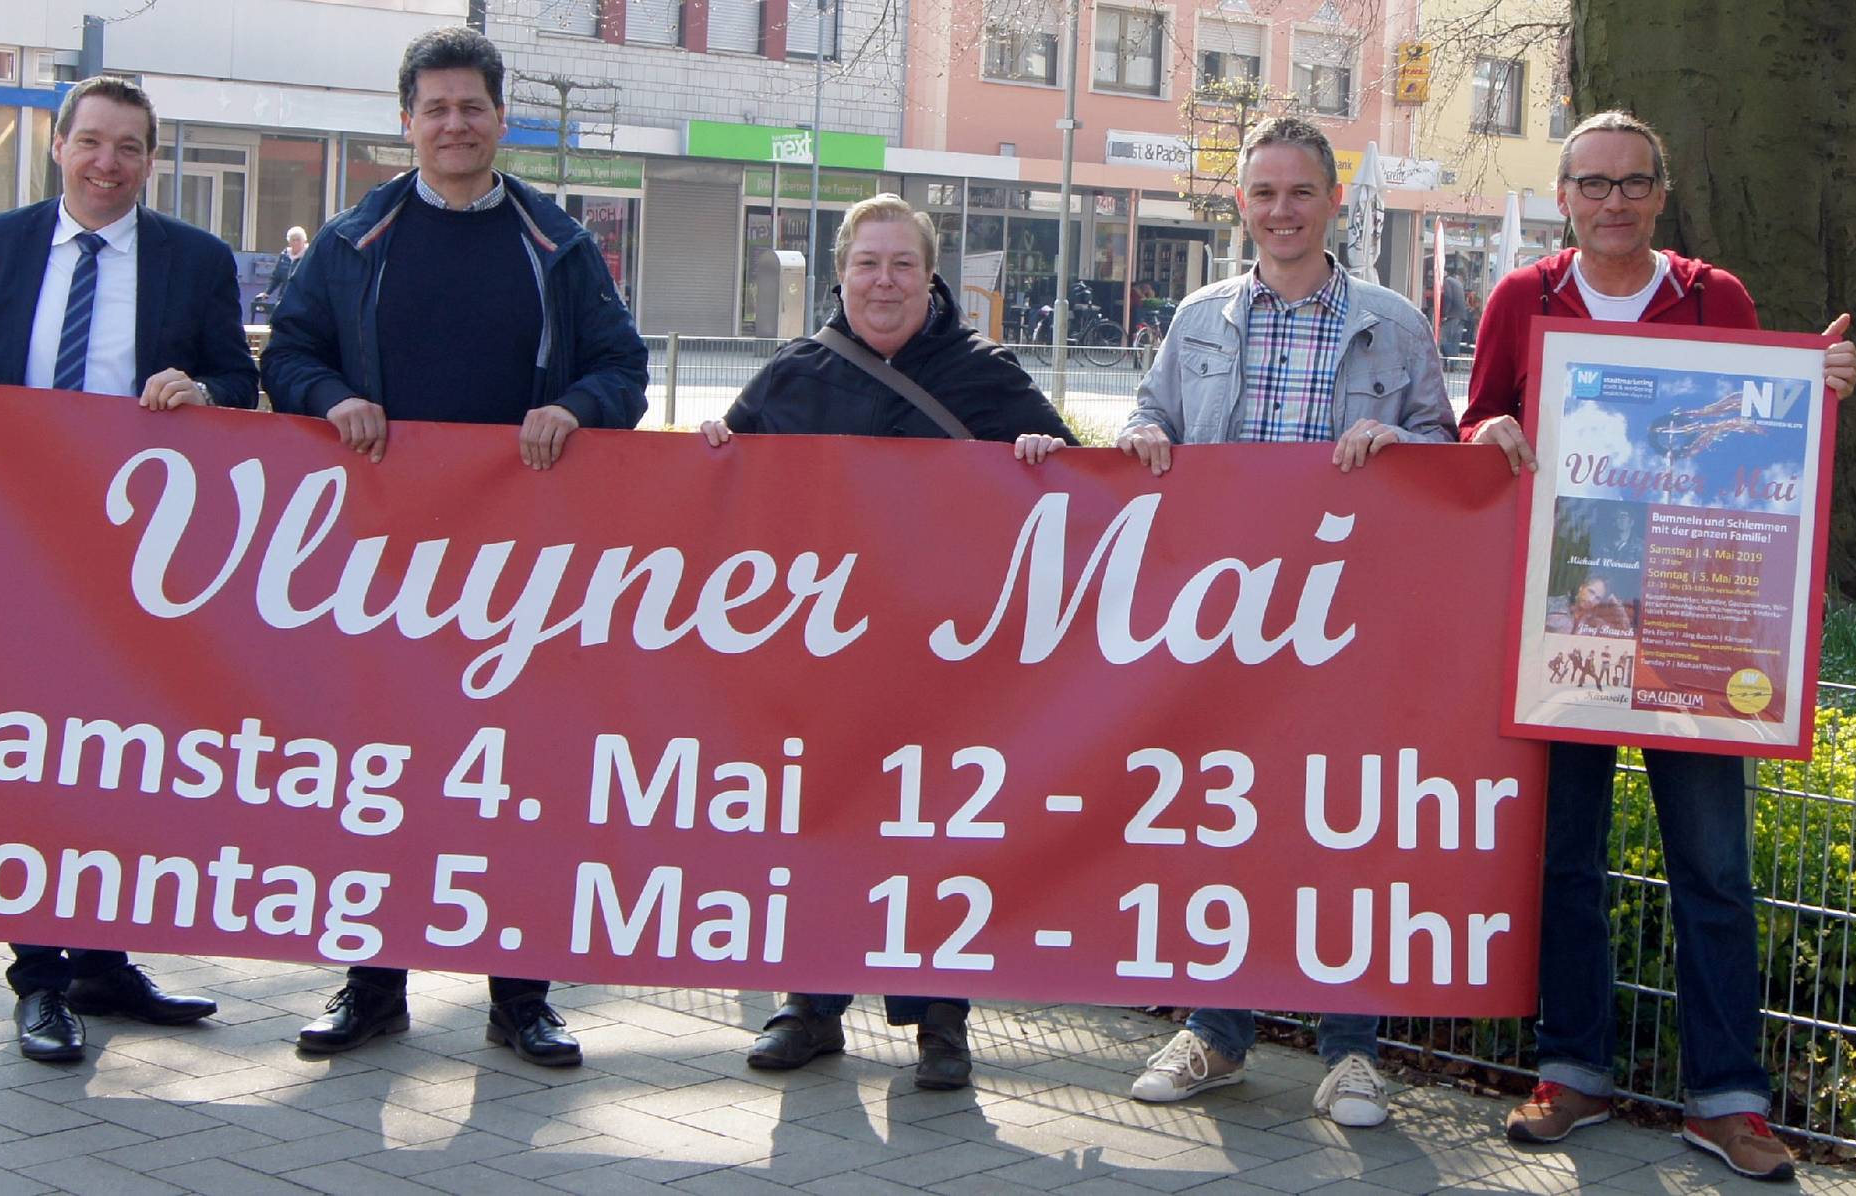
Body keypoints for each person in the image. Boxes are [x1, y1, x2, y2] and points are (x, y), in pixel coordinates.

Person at [1462, 109, 1856, 1183]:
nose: (1613, 201)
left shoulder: (1715, 297)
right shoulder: (1520, 299)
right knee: (1565, 857)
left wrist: (1818, 395)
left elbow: (1762, 429)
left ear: (1661, 193)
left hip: (1694, 612)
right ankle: (1573, 1068)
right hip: (1569, 614)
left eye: (1633, 182)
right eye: (1593, 183)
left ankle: (1727, 1099)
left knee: (1715, 868)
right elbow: (1478, 421)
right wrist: (1483, 431)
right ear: (1564, 195)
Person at [260, 25, 648, 1064]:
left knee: (513, 778)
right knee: (377, 775)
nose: (453, 124)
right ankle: (372, 983)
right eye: (433, 108)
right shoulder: (353, 240)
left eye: (470, 106)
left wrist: (577, 404)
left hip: (518, 573)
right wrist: (331, 393)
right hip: (379, 567)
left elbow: (623, 366)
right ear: (406, 123)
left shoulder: (555, 241)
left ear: (499, 117)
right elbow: (288, 354)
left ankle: (520, 993)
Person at [0, 75, 254, 1062]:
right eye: (90, 142)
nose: (106, 162)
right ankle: (38, 977)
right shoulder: (3, 244)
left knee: (119, 754)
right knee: (31, 753)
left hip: (138, 560)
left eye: (128, 146)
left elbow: (243, 383)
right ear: (58, 147)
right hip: (19, 551)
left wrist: (202, 387)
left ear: (151, 159)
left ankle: (104, 958)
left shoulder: (195, 260)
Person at [1113, 116, 1457, 1124]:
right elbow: (1153, 417)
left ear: (1333, 202)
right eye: (1262, 194)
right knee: (1226, 817)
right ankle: (1217, 1031)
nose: (1280, 211)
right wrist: (1138, 435)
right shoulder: (1201, 318)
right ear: (1241, 205)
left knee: (1343, 822)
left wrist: (1400, 440)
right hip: (1230, 621)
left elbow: (1444, 451)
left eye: (1299, 192)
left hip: (1346, 623)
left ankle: (1352, 1051)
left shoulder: (1394, 322)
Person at [701, 192, 1074, 1091]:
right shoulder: (794, 375)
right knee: (821, 826)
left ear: (930, 275)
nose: (884, 281)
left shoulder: (986, 374)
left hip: (945, 667)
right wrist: (715, 449)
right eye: (868, 263)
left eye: (902, 264)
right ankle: (809, 1005)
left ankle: (940, 1023)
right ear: (840, 274)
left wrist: (1041, 453)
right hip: (821, 666)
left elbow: (1069, 487)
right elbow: (727, 496)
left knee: (934, 838)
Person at [252, 225, 308, 320]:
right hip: (284, 298)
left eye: (298, 239)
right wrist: (267, 293)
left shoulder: (309, 256)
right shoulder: (284, 256)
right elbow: (276, 277)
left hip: (301, 300)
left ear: (304, 241)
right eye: (292, 240)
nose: (295, 242)